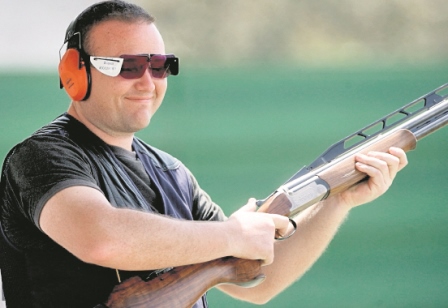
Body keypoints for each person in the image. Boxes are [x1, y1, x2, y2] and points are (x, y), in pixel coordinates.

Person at [0, 1, 408, 307]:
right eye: (127, 66)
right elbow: (101, 238)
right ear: (75, 71)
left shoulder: (172, 172)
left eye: (159, 65)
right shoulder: (43, 157)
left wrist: (337, 200)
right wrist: (234, 233)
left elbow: (261, 281)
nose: (147, 81)